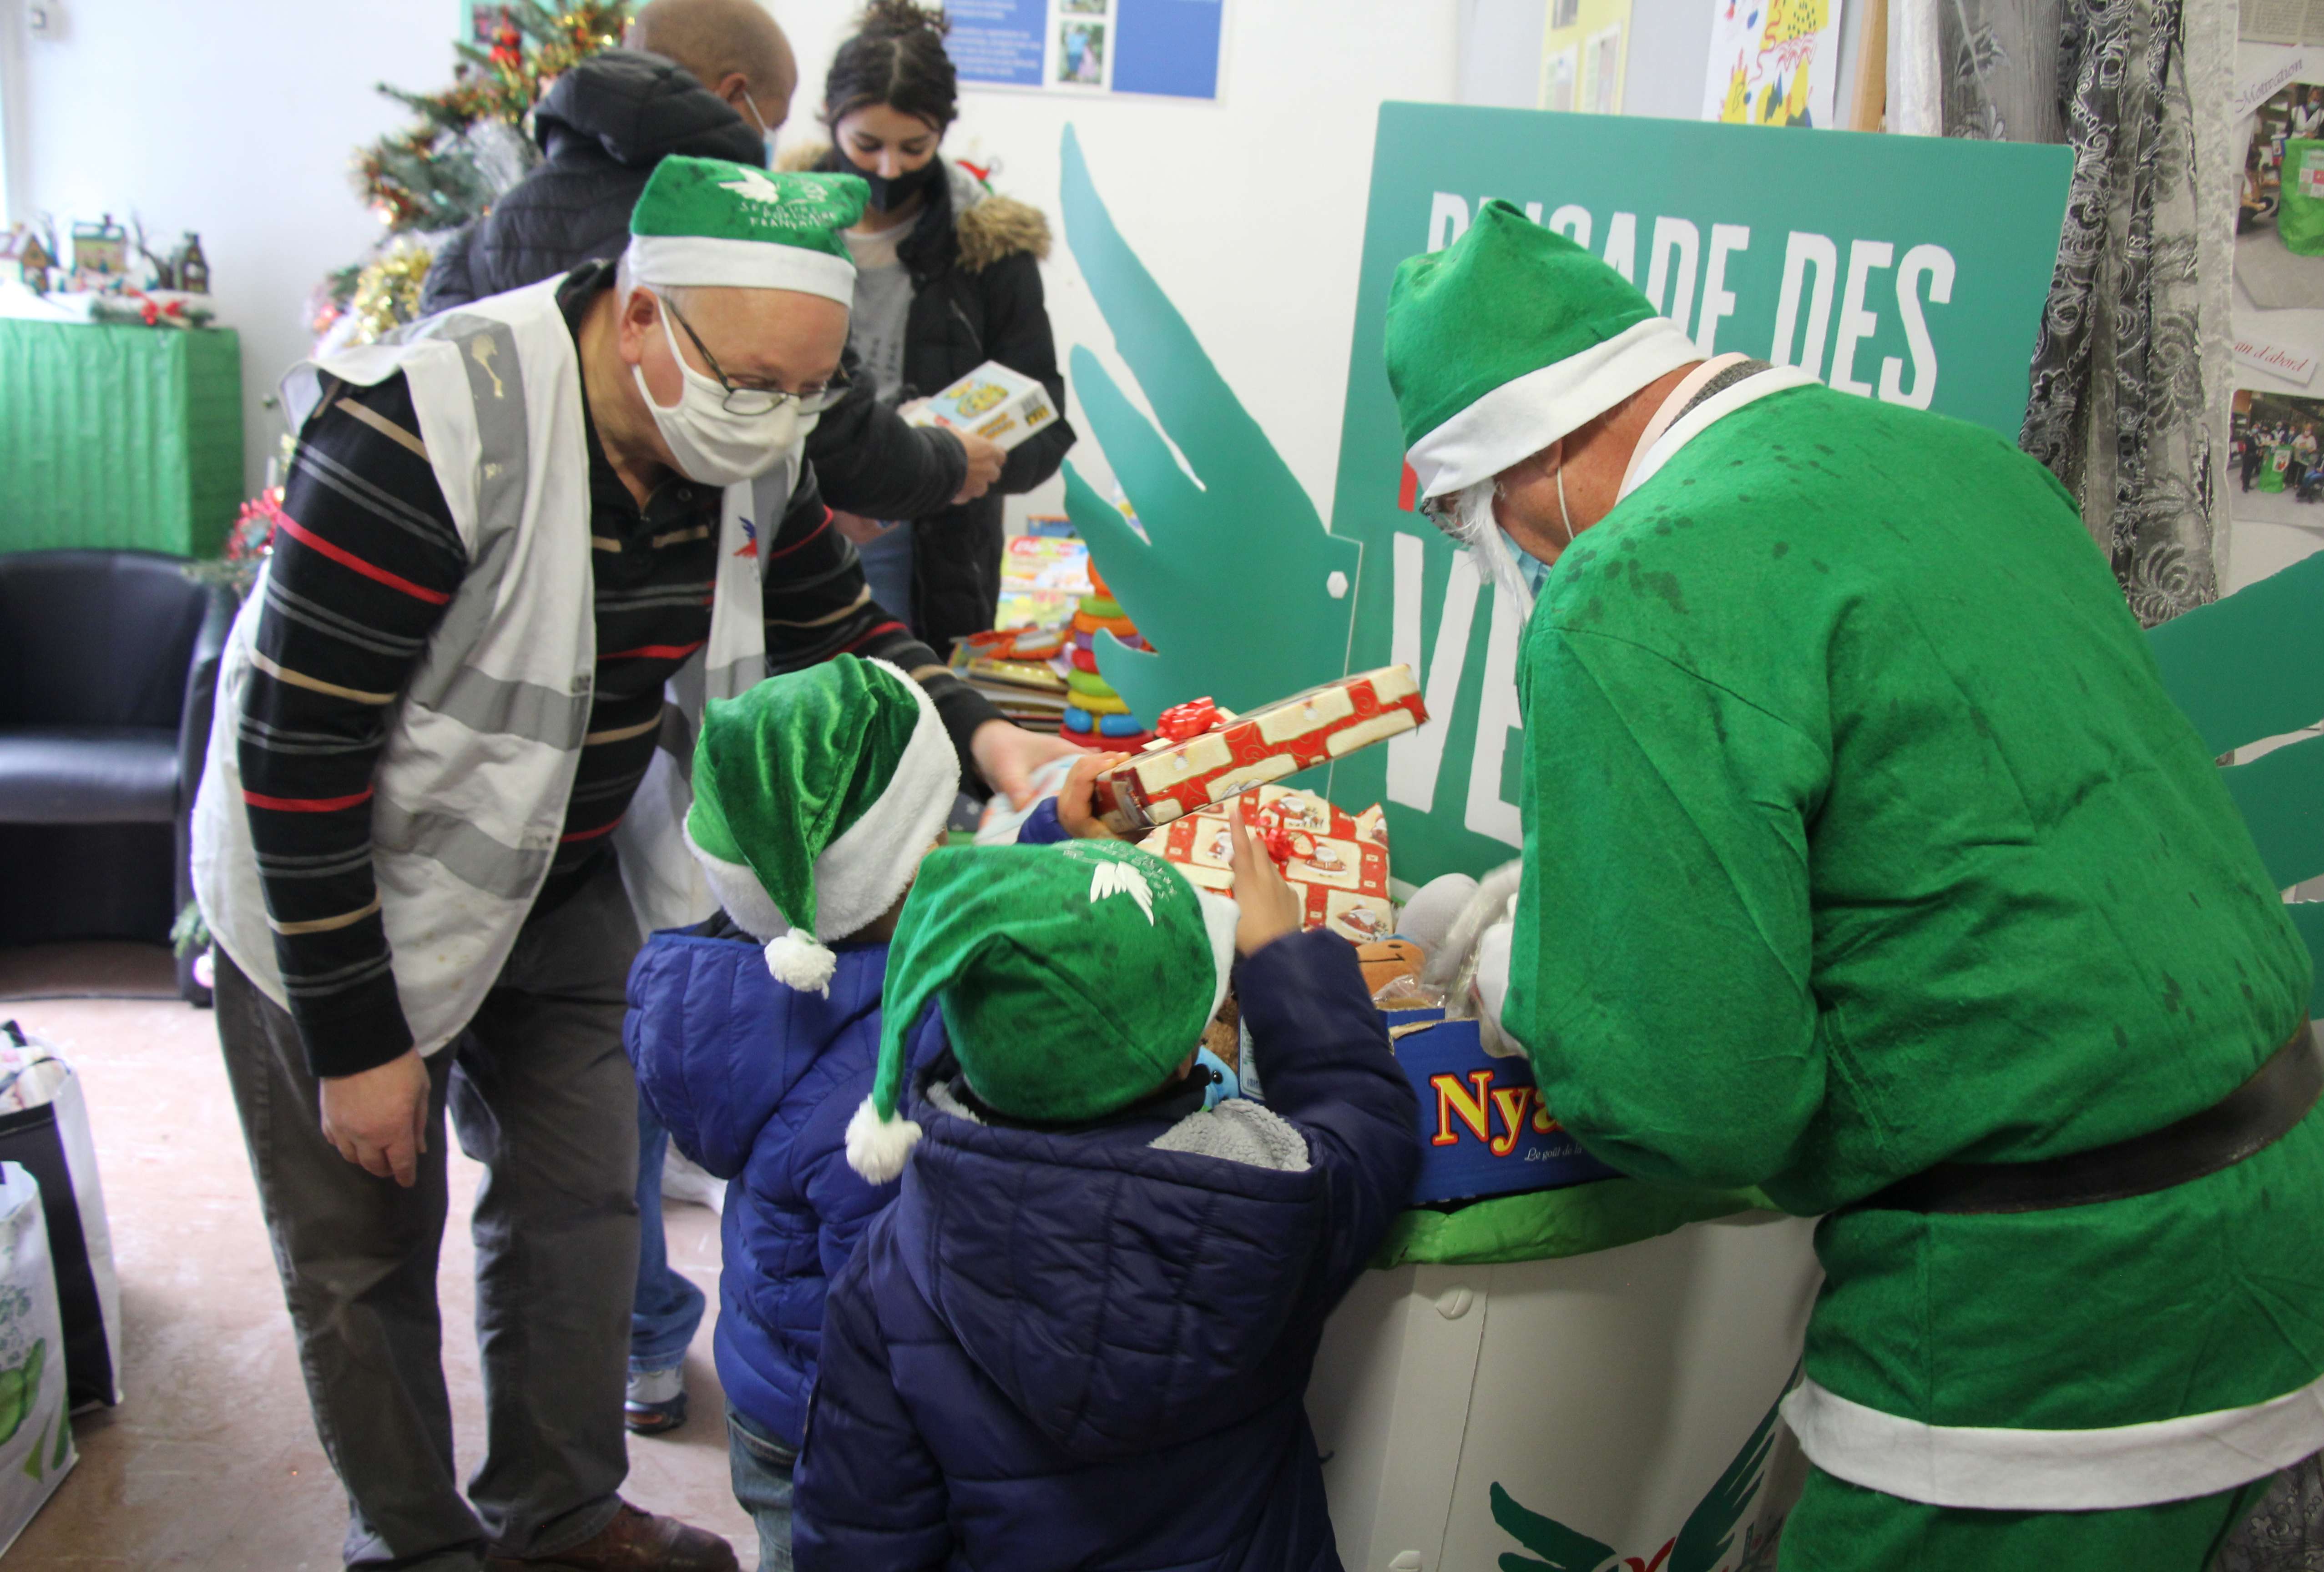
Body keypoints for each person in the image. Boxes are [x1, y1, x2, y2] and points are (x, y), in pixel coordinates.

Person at [1383, 201, 2324, 1569]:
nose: (1506, 554)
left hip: (2056, 1312)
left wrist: (1528, 983)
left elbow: (1695, 1094)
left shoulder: (1633, 586)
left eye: (1472, 520)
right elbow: (1945, 830)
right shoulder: (1954, 462)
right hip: (2297, 1208)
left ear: (1527, 456)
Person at [193, 158, 1069, 1572]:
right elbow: (295, 764)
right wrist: (357, 1037)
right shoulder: (420, 433)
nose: (782, 422)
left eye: (809, 391)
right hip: (341, 898)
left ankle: (560, 1513)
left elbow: (838, 623)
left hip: (563, 877)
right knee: (360, 1249)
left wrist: (993, 742)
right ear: (643, 313)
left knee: (586, 1203)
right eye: (758, 384)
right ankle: (412, 1546)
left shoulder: (748, 432)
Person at [788, 822, 1419, 1570]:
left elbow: (861, 1537)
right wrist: (1283, 958)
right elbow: (1367, 1123)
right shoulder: (1268, 1206)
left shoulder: (889, 1272)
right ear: (1186, 1047)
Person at [626, 662, 1137, 1570]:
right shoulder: (895, 1079)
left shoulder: (754, 973)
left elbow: (939, 896)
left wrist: (1051, 829)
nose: (951, 841)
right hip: (855, 1434)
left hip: (769, 1392)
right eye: (937, 821)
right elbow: (907, 1333)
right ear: (904, 861)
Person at [423, 0, 1012, 549]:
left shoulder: (502, 222)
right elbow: (825, 419)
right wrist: (944, 463)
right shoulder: (719, 229)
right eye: (769, 121)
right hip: (643, 558)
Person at [781, 0, 1077, 654]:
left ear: (943, 132)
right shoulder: (779, 221)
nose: (889, 170)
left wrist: (972, 461)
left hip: (931, 542)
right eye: (867, 145)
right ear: (832, 124)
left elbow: (1047, 416)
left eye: (914, 147)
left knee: (913, 718)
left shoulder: (988, 245)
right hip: (794, 515)